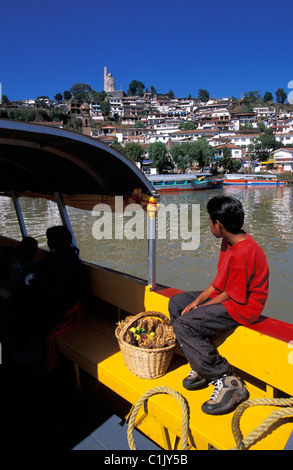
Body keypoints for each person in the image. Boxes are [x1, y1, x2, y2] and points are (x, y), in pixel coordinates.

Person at [169, 196, 269, 415]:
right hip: (229, 294)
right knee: (177, 303)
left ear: (219, 225)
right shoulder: (229, 240)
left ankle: (225, 379)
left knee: (184, 325)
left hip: (243, 306)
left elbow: (232, 295)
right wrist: (197, 302)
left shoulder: (243, 252)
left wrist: (202, 309)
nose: (209, 224)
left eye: (210, 221)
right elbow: (220, 282)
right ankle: (201, 365)